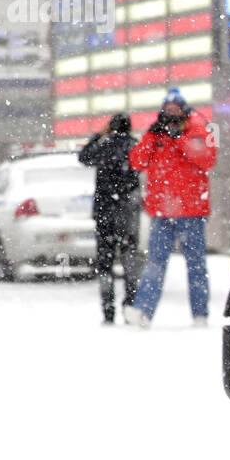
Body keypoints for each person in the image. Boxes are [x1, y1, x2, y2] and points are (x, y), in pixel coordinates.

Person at [126, 89, 218, 328]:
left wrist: (179, 139)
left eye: (176, 110)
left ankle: (200, 314)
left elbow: (206, 158)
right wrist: (151, 138)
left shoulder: (197, 130)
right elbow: (136, 161)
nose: (172, 116)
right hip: (162, 213)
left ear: (185, 111)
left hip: (191, 212)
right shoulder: (155, 135)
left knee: (195, 265)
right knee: (155, 264)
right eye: (168, 111)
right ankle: (144, 312)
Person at [79, 114, 142, 325]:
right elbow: (143, 165)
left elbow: (84, 157)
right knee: (130, 261)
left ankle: (108, 309)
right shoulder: (134, 146)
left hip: (105, 212)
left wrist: (98, 135)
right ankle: (130, 305)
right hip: (128, 212)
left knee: (105, 264)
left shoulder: (104, 146)